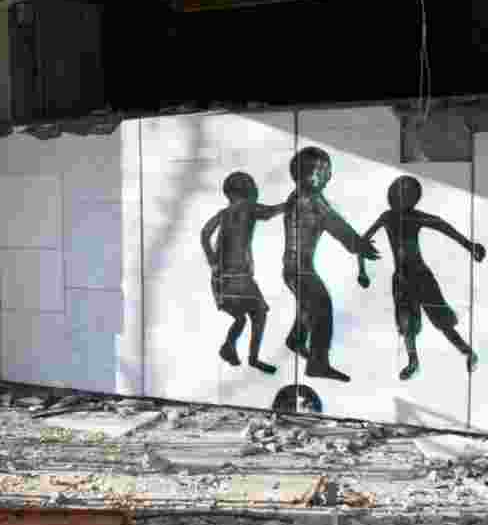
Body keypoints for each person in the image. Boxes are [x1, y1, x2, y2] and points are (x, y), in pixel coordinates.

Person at [357, 175, 484, 381]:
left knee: (442, 322)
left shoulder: (414, 217)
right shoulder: (387, 217)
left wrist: (469, 245)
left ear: (411, 198)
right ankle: (413, 362)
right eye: (397, 191)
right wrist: (361, 271)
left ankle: (468, 352)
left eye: (404, 193)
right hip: (401, 278)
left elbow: (442, 225)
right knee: (406, 324)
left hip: (421, 277)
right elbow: (362, 242)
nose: (398, 196)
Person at [283, 147, 379, 383]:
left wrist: (356, 243)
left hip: (294, 268)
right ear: (311, 174)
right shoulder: (311, 200)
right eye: (325, 171)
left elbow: (332, 220)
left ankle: (296, 339)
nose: (329, 176)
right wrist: (358, 244)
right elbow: (334, 223)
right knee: (321, 306)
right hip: (300, 269)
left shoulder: (300, 197)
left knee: (309, 303)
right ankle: (318, 364)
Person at [200, 171, 285, 374]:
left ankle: (228, 347)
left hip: (220, 280)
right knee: (259, 313)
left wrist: (212, 259)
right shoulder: (247, 207)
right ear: (247, 190)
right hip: (238, 278)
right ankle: (252, 358)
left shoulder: (223, 213)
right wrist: (289, 203)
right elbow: (269, 212)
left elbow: (205, 233)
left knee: (241, 318)